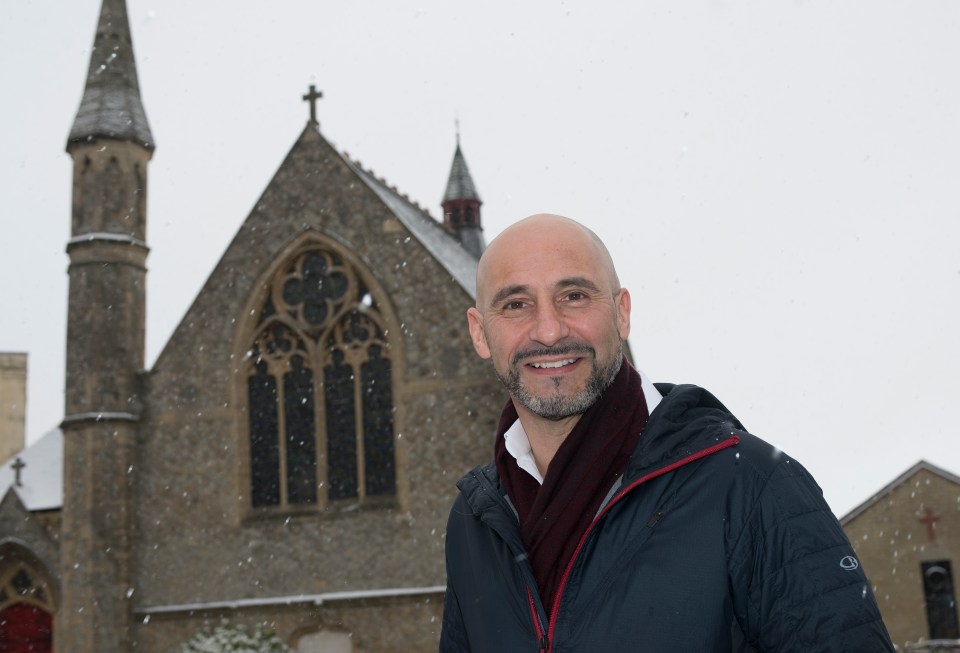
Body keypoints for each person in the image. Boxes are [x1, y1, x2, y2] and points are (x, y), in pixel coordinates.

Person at [439, 214, 894, 652]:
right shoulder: (475, 523)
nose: (549, 329)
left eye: (574, 295)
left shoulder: (751, 487)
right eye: (516, 304)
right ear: (480, 334)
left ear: (622, 313)